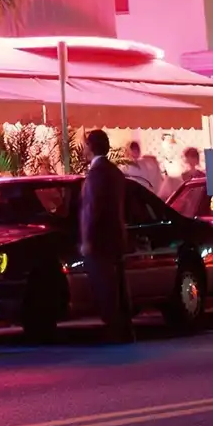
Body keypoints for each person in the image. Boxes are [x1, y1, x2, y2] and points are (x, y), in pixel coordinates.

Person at [81, 129, 133, 342]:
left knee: (105, 286)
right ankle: (124, 328)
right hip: (116, 238)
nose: (83, 149)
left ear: (91, 147)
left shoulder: (97, 174)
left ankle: (114, 329)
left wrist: (87, 240)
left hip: (100, 241)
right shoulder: (115, 172)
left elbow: (92, 209)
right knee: (117, 285)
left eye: (85, 145)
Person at [166, 147, 209, 217]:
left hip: (199, 209)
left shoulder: (202, 175)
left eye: (193, 157)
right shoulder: (182, 175)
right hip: (186, 210)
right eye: (189, 157)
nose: (191, 160)